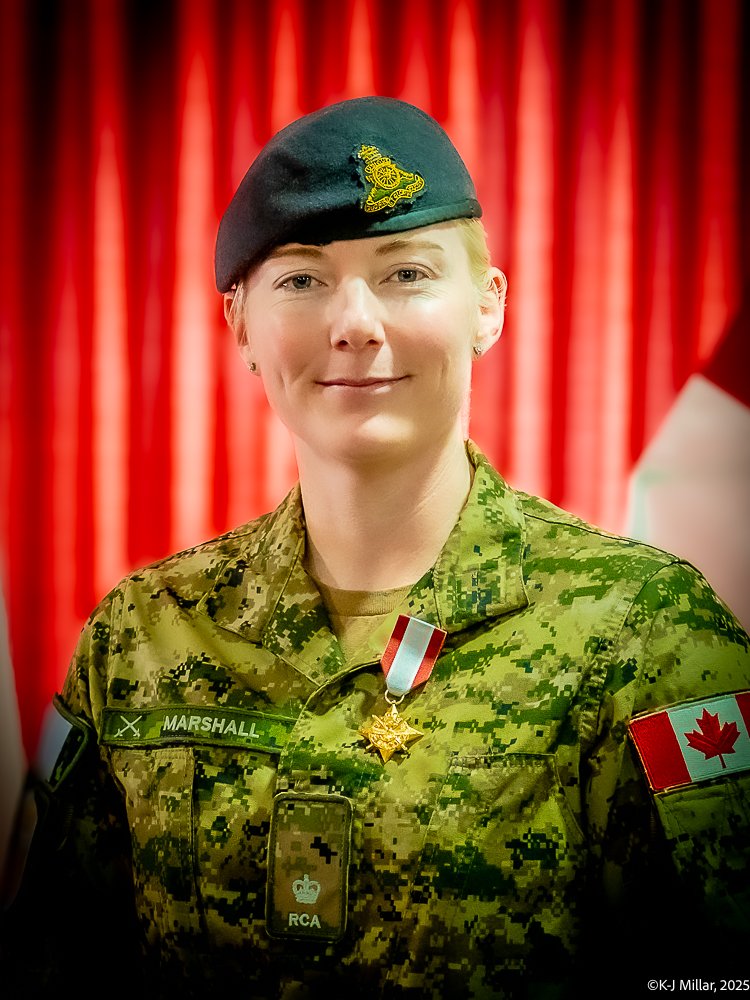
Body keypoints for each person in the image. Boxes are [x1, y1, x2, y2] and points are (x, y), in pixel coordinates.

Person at [3, 97, 749, 999]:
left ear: (488, 306)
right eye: (302, 280)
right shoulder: (143, 637)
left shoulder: (646, 633)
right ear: (240, 322)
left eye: (405, 273)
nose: (355, 322)